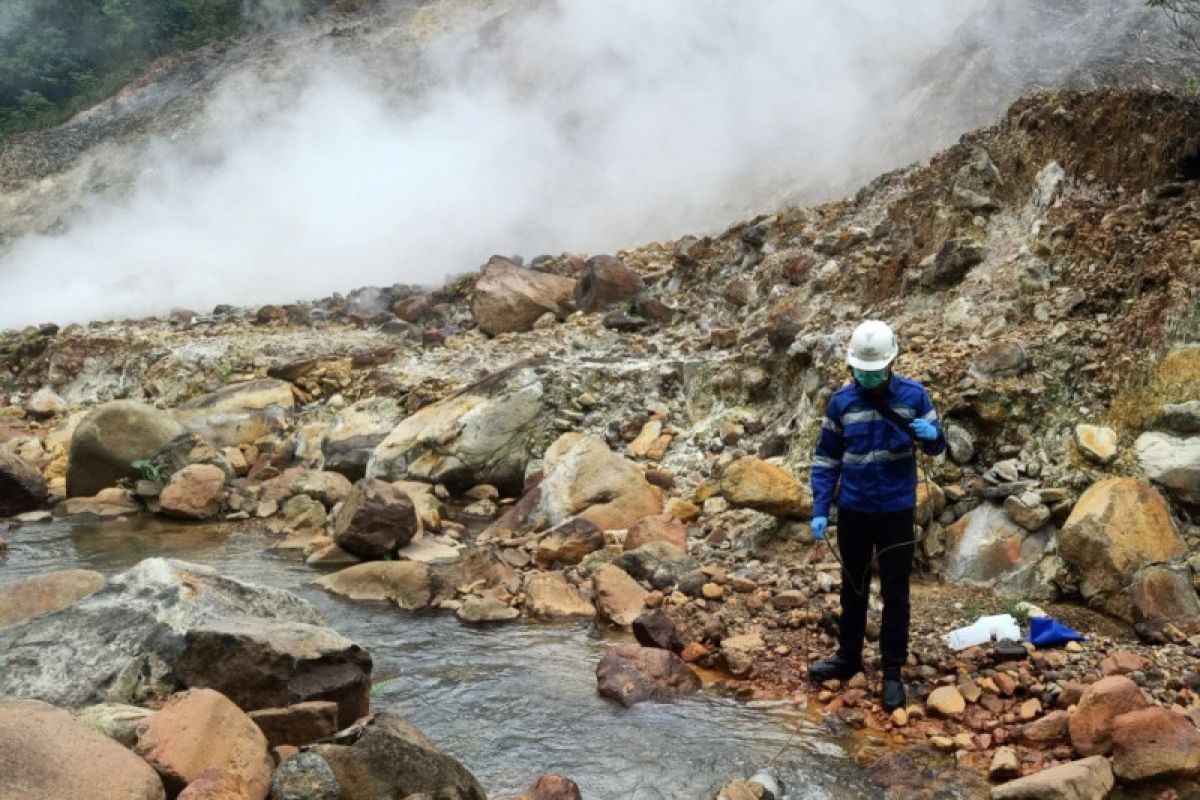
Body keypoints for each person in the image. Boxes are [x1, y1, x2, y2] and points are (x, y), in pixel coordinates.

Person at [807, 319, 945, 712]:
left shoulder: (915, 397)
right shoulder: (840, 403)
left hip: (896, 512)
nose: (868, 379)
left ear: (891, 363)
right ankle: (848, 656)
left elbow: (937, 447)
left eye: (876, 372)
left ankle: (892, 672)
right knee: (853, 587)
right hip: (853, 510)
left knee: (896, 594)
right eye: (862, 373)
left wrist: (934, 437)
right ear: (852, 368)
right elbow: (826, 459)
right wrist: (820, 508)